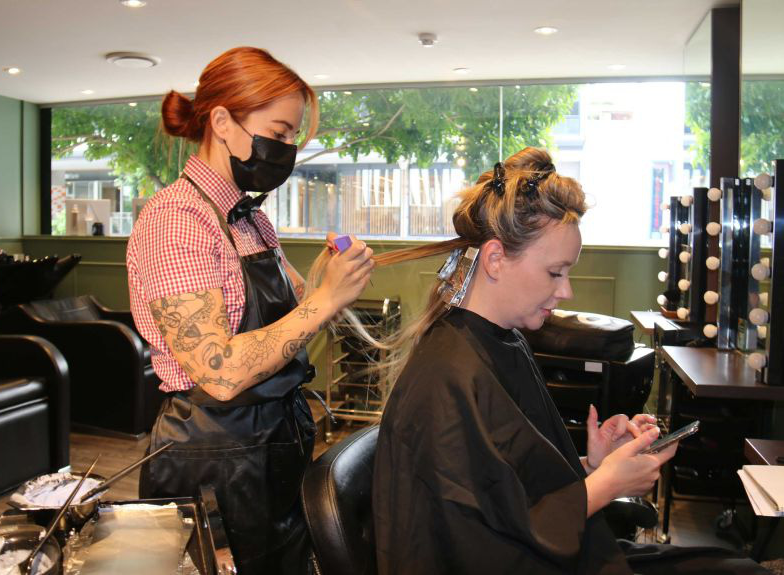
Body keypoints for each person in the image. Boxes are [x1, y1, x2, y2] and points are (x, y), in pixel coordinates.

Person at [370, 147, 769, 574]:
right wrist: (605, 485)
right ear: (495, 259)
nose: (566, 291)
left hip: (569, 554)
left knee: (735, 567)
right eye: (555, 272)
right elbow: (480, 547)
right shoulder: (447, 377)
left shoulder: (504, 342)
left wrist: (593, 464)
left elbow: (505, 487)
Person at [126, 47, 374, 575]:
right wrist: (326, 300)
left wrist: (333, 280)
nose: (285, 150)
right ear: (222, 122)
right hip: (212, 458)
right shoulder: (178, 219)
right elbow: (218, 371)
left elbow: (291, 320)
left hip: (273, 442)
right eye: (279, 132)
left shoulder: (249, 220)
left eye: (292, 138)